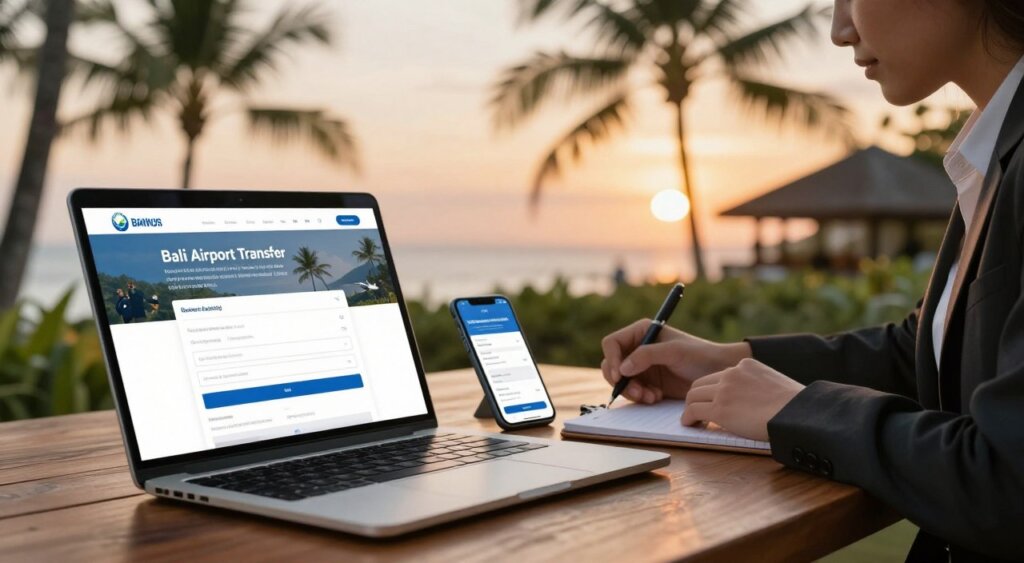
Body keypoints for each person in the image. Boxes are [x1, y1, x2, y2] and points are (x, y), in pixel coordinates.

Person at [600, 2, 1024, 561]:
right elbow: (922, 358)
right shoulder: (994, 156)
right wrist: (727, 361)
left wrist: (800, 411)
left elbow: (1009, 485)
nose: (838, 30)